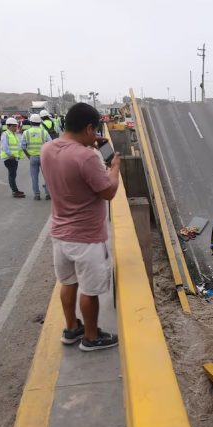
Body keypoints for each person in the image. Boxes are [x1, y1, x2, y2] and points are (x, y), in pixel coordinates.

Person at [40, 103, 121, 351]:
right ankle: (92, 336)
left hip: (60, 233)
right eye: (93, 130)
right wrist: (114, 169)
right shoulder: (86, 157)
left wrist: (87, 144)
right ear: (88, 128)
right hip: (86, 237)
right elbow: (108, 191)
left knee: (68, 283)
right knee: (90, 290)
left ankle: (71, 328)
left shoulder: (47, 149)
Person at [21, 113, 52, 200]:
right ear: (40, 123)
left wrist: (28, 156)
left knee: (34, 177)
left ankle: (37, 194)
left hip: (32, 157)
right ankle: (48, 193)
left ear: (31, 122)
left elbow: (23, 146)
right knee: (46, 176)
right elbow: (50, 144)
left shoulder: (26, 132)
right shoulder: (44, 132)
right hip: (44, 157)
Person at [0, 117, 25, 198]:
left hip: (14, 158)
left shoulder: (13, 134)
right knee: (12, 174)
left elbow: (17, 146)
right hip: (9, 158)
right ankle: (15, 191)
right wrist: (10, 154)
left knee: (13, 174)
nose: (16, 127)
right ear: (9, 126)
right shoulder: (5, 134)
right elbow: (4, 146)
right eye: (14, 126)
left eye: (16, 126)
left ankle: (15, 190)